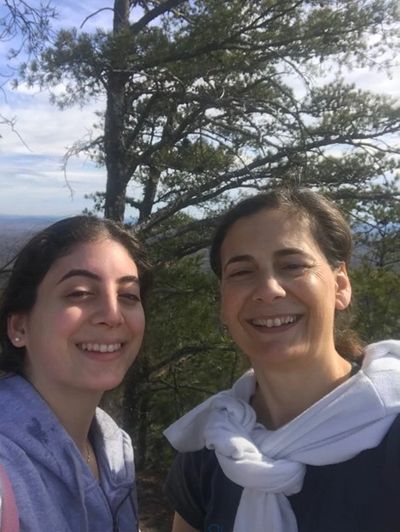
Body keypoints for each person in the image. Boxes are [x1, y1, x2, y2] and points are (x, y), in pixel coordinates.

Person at [164, 188, 400, 532]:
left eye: (292, 265)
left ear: (340, 285)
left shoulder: (390, 431)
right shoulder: (213, 445)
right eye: (242, 272)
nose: (269, 288)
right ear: (223, 302)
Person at [0, 215, 152, 531]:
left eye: (128, 296)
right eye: (80, 293)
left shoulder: (114, 448)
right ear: (19, 327)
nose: (113, 315)